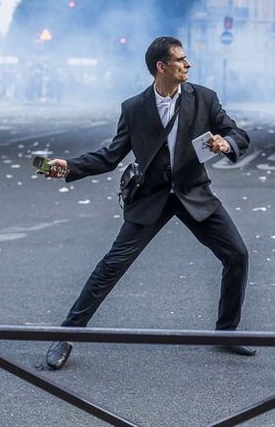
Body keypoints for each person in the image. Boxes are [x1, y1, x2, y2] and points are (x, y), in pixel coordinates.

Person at [43, 36, 253, 370]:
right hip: (152, 196)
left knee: (237, 254)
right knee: (111, 266)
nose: (188, 64)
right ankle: (67, 335)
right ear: (162, 66)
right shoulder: (135, 108)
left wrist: (225, 143)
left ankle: (226, 332)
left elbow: (237, 133)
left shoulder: (204, 98)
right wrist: (69, 166)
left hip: (193, 193)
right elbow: (111, 155)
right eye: (181, 59)